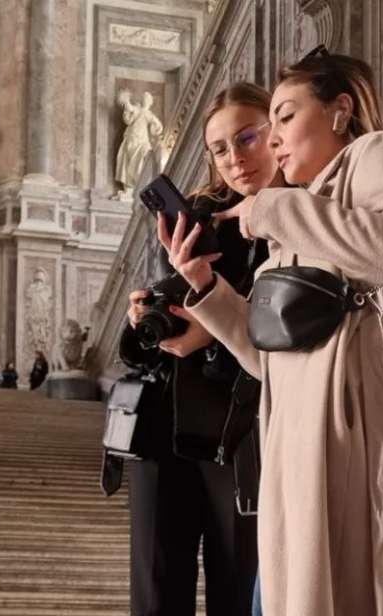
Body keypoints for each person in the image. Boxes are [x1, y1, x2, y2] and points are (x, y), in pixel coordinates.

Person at [159, 49, 383, 615]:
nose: (275, 136)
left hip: (367, 406)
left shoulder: (375, 154)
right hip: (299, 431)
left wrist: (270, 209)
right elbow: (268, 354)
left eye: (284, 116)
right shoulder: (296, 213)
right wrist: (203, 284)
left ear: (339, 111)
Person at [111, 82, 281, 616]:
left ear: (276, 129)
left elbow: (295, 320)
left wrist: (212, 324)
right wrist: (141, 317)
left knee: (240, 582)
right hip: (164, 422)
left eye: (247, 137)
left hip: (240, 428)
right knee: (156, 587)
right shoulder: (197, 215)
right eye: (220, 148)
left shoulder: (304, 210)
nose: (235, 158)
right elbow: (156, 332)